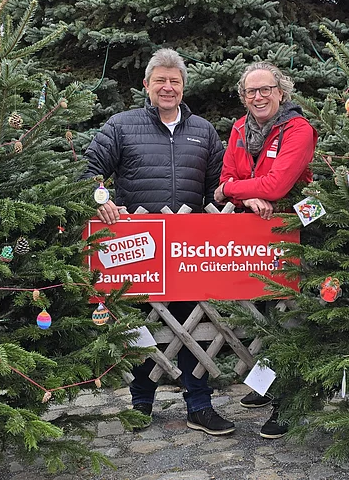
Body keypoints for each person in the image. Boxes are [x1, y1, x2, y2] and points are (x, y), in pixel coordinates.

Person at [81, 48, 233, 436]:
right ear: (146, 85)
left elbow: (219, 187)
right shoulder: (121, 125)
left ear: (183, 87)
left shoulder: (204, 131)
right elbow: (88, 171)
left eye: (175, 81)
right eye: (160, 80)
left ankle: (199, 405)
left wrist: (240, 198)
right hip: (137, 249)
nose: (168, 87)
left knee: (190, 323)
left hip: (187, 250)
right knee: (141, 325)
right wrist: (104, 201)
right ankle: (141, 403)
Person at [214, 61, 318, 438]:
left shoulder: (299, 129)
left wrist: (235, 191)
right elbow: (225, 174)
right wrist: (246, 192)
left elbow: (274, 187)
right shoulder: (240, 128)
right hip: (253, 233)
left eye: (265, 89)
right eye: (250, 91)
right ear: (243, 97)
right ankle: (271, 385)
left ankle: (290, 400)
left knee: (290, 316)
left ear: (281, 92)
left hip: (293, 230)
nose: (257, 96)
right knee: (261, 316)